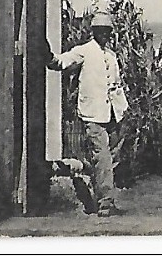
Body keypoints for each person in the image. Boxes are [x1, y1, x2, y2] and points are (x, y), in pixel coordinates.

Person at [45, 11, 128, 217]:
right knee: (103, 156)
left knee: (107, 157)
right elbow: (60, 62)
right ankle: (105, 203)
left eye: (107, 31)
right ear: (93, 32)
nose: (105, 34)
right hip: (92, 114)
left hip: (113, 113)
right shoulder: (84, 51)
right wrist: (47, 55)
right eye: (100, 31)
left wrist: (122, 110)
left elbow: (116, 84)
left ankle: (85, 174)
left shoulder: (111, 55)